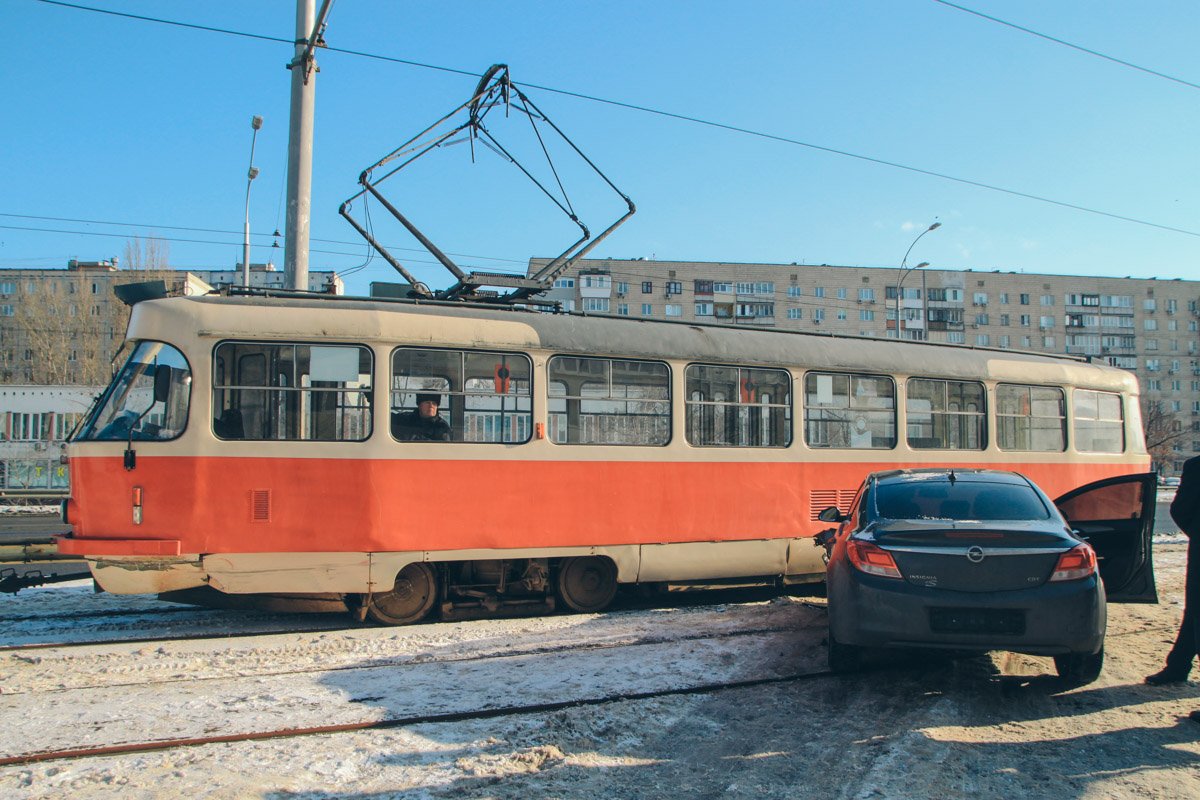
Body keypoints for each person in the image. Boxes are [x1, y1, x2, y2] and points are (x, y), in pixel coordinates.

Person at [1145, 456, 1200, 717]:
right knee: (1194, 615)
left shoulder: (1195, 466)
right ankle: (1178, 665)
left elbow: (1180, 510)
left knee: (1197, 611)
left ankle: (1178, 666)